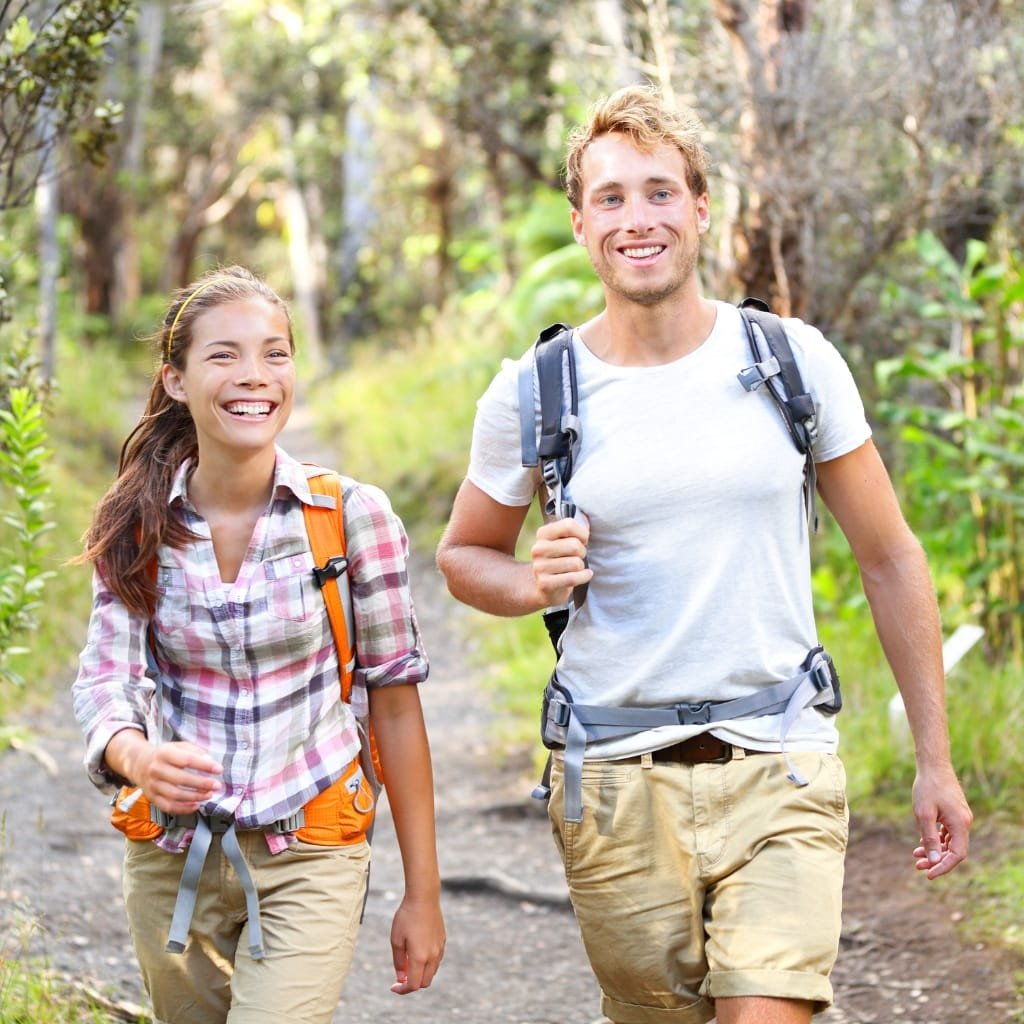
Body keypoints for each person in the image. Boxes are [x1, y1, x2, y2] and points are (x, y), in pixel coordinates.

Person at [435, 85, 972, 1024]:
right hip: (611, 779)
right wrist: (531, 581)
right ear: (579, 222)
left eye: (657, 192)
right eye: (610, 198)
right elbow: (462, 556)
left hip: (783, 759)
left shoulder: (790, 360)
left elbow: (889, 556)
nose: (636, 219)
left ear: (699, 207)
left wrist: (936, 758)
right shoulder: (535, 390)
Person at [72, 265, 445, 1024]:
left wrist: (424, 894)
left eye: (275, 354)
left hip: (312, 843)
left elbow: (397, 710)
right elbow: (106, 681)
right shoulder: (137, 524)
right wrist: (138, 757)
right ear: (175, 380)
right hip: (174, 856)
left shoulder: (348, 517)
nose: (255, 376)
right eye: (224, 355)